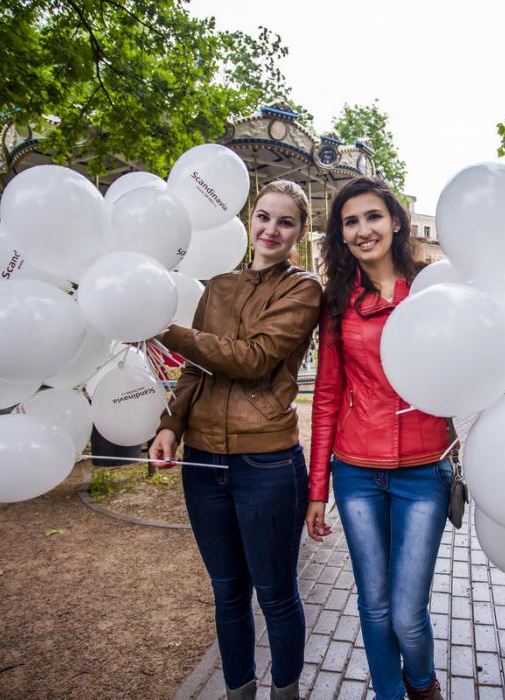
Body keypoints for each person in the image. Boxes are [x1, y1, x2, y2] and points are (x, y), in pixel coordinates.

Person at [149, 180, 321, 700]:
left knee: (275, 594)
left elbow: (253, 359)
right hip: (203, 464)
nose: (272, 229)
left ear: (299, 232)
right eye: (264, 217)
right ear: (250, 220)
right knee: (227, 593)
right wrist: (171, 426)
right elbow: (194, 371)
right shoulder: (218, 287)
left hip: (266, 464)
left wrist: (163, 327)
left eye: (286, 222)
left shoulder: (304, 289)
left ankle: (284, 693)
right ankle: (237, 692)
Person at [305, 177, 451, 700]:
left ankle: (422, 684)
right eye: (350, 222)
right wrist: (317, 490)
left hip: (424, 469)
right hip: (357, 472)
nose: (363, 230)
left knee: (409, 615)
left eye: (372, 216)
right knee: (375, 605)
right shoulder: (337, 302)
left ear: (395, 221)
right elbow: (325, 397)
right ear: (341, 236)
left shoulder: (435, 289)